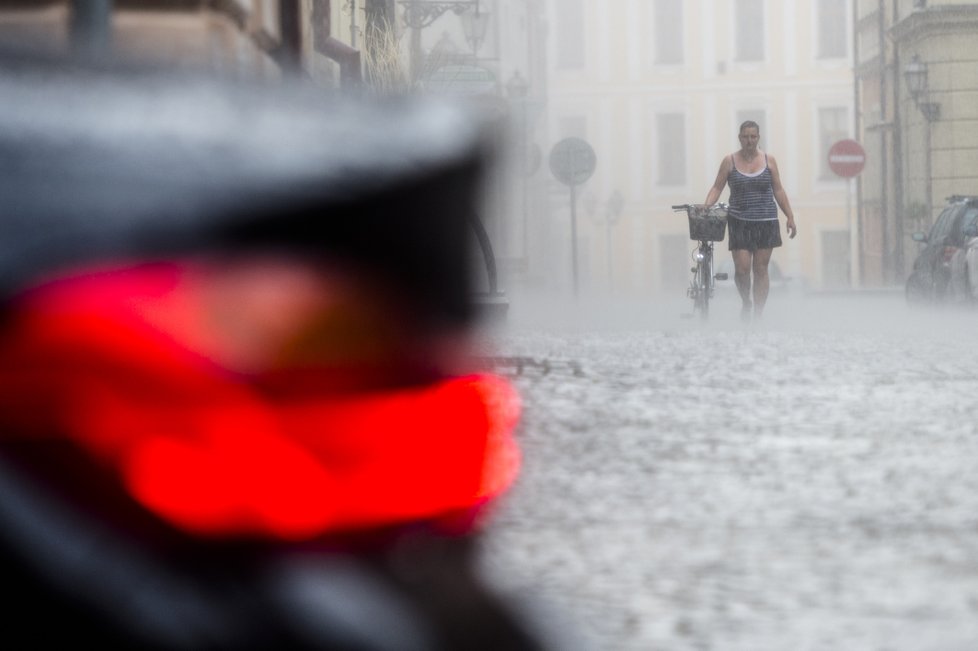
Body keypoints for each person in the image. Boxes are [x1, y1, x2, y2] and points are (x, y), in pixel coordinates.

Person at [704, 120, 797, 320]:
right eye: (745, 136)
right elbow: (717, 187)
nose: (749, 140)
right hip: (739, 220)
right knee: (742, 269)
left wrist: (790, 216)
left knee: (761, 268)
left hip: (766, 220)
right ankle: (746, 301)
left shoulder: (769, 160)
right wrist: (707, 205)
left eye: (753, 136)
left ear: (758, 138)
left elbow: (778, 190)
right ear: (740, 138)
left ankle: (758, 314)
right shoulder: (729, 161)